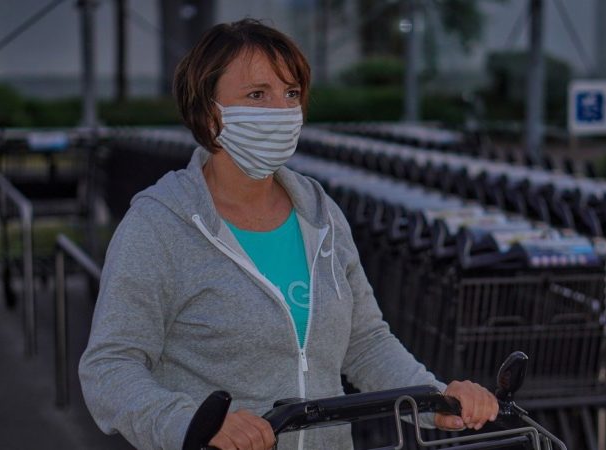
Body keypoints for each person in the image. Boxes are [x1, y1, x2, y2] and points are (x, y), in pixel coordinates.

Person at [79, 19, 498, 450]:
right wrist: (191, 425)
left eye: (291, 93)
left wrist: (436, 398)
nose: (281, 110)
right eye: (257, 95)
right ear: (209, 112)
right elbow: (110, 367)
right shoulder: (160, 224)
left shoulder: (320, 214)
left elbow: (366, 342)